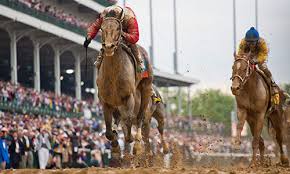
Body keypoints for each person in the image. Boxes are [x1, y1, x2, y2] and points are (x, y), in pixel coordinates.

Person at [83, 5, 145, 72]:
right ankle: (100, 58)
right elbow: (95, 27)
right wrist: (89, 38)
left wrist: (123, 34)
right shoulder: (104, 16)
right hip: (111, 31)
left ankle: (139, 63)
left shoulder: (130, 18)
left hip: (125, 32)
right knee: (107, 42)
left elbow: (135, 37)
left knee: (133, 45)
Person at [238, 27, 279, 105]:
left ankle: (272, 83)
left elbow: (263, 56)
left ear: (257, 41)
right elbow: (240, 54)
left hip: (259, 54)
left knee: (262, 66)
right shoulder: (243, 43)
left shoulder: (262, 43)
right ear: (246, 41)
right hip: (247, 54)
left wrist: (256, 61)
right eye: (248, 42)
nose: (250, 45)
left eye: (252, 43)